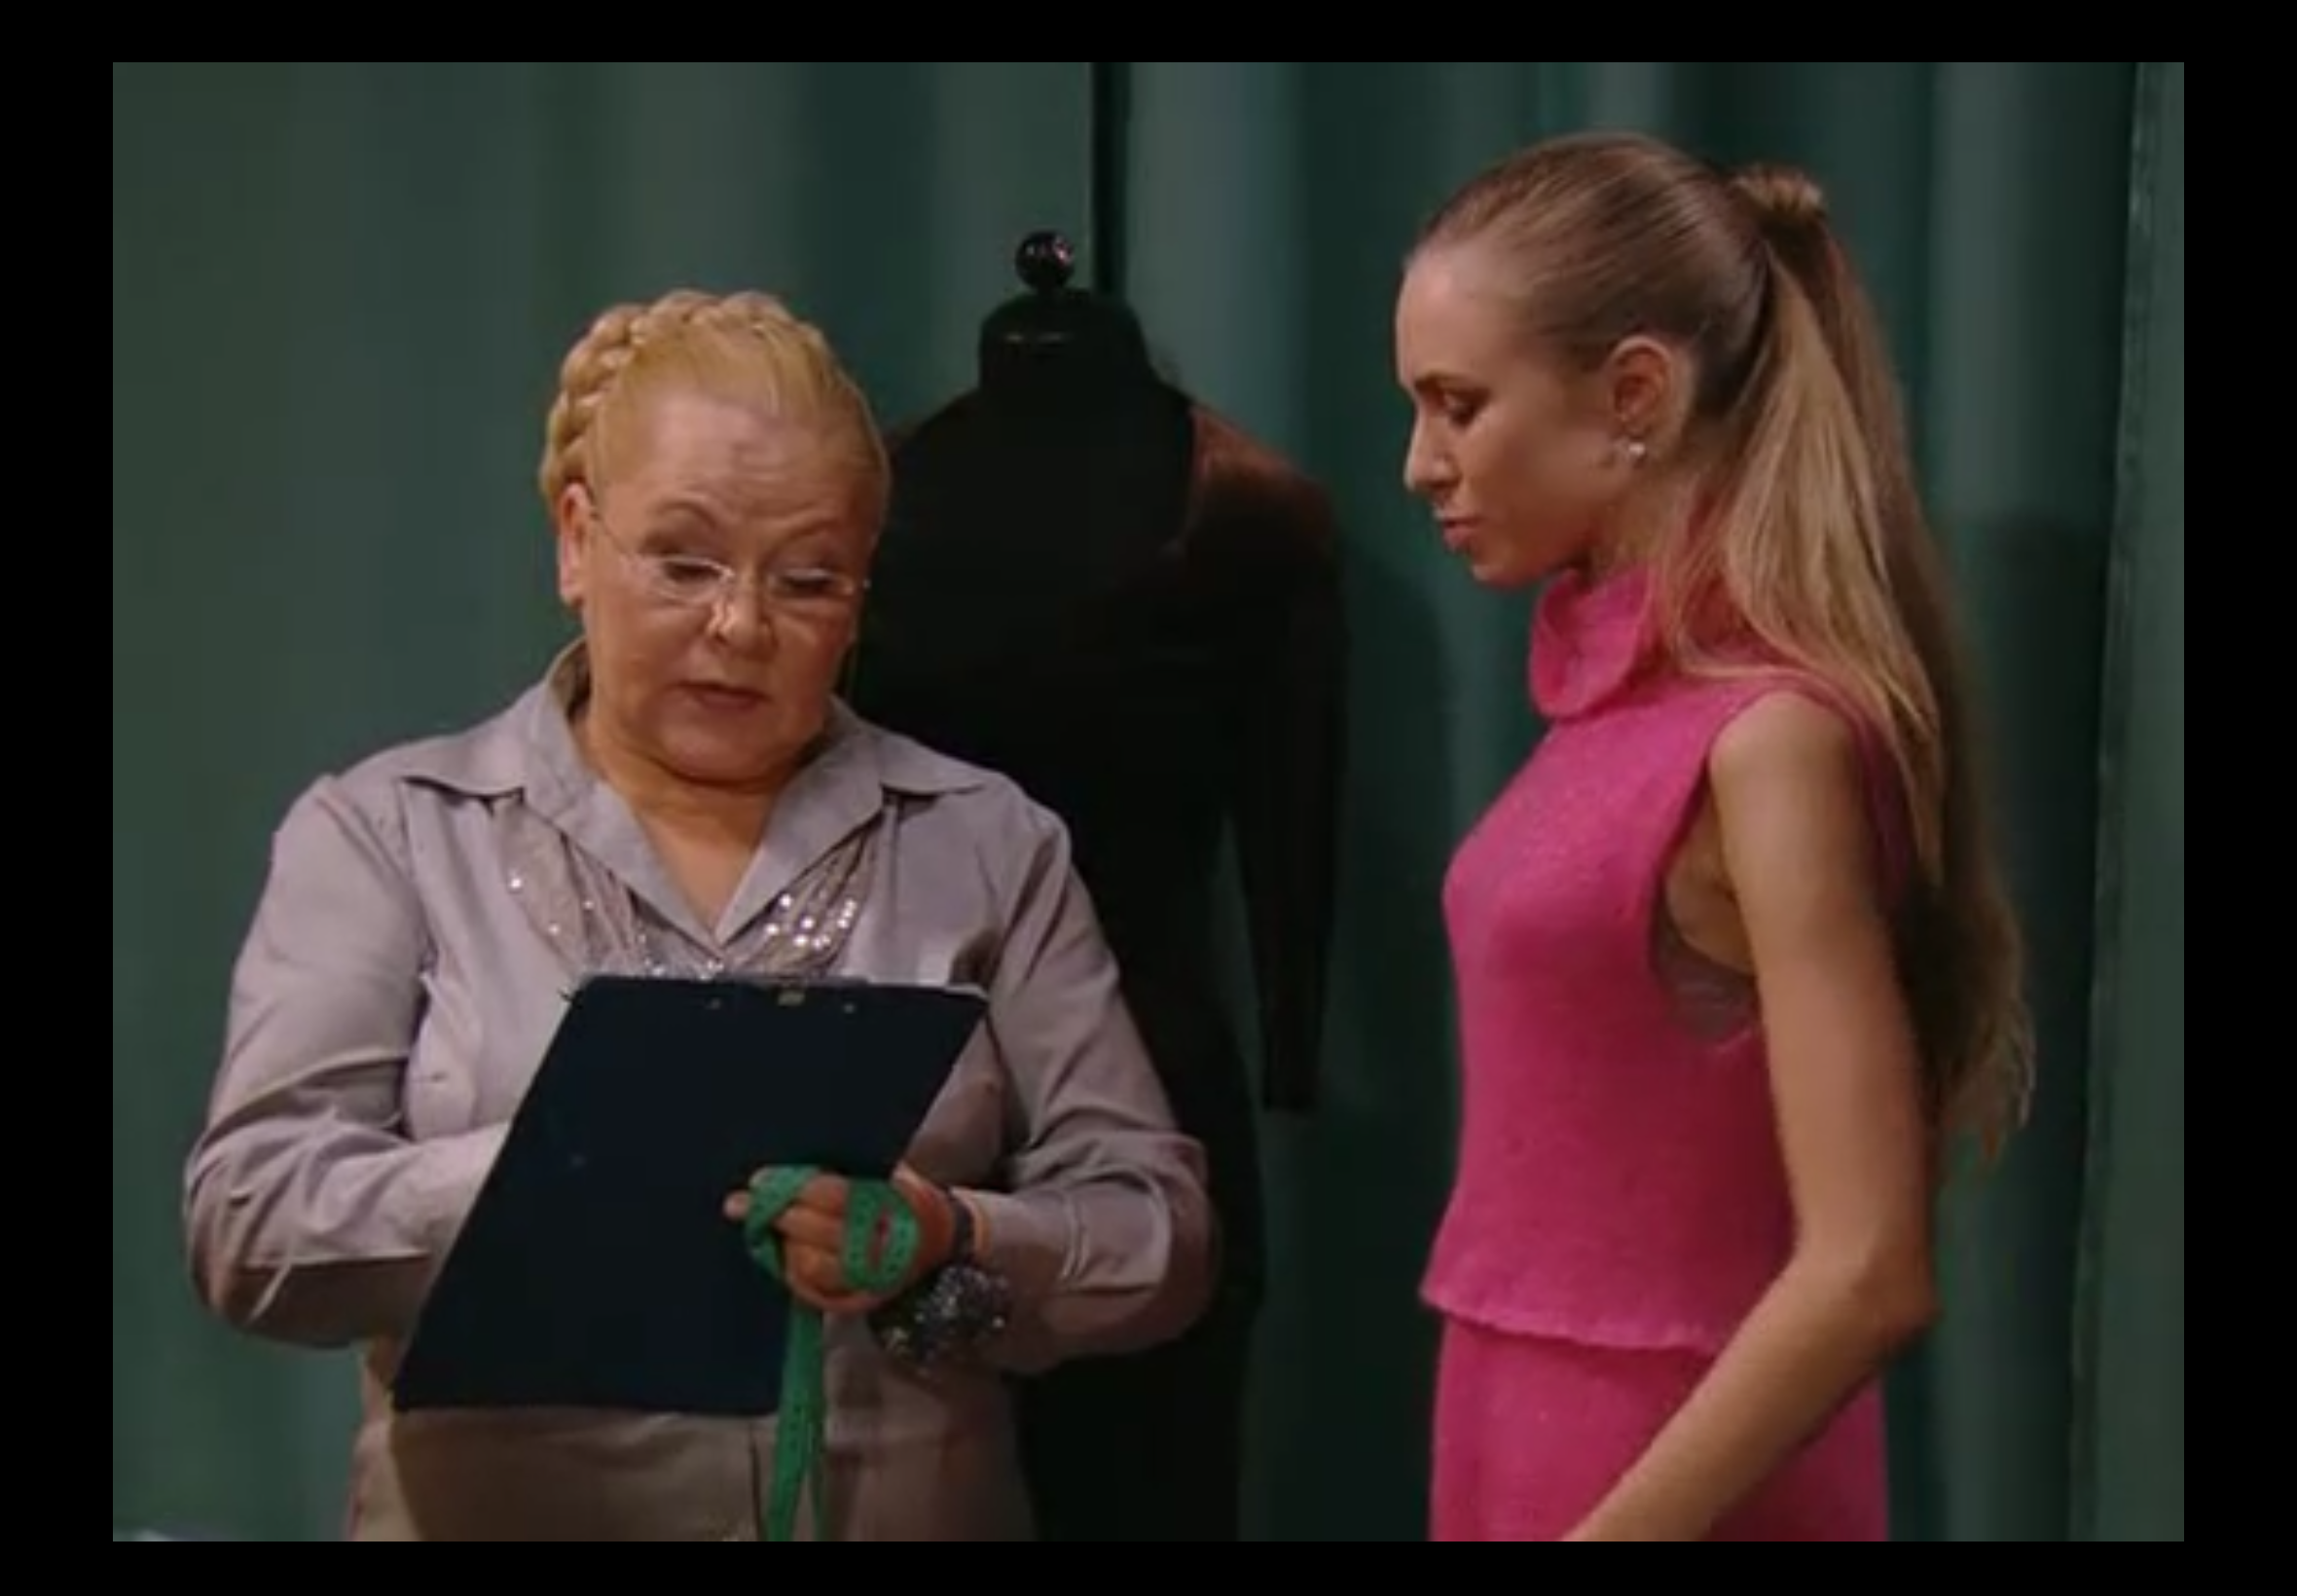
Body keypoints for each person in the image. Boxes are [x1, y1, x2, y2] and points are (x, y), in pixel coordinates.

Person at [180, 287, 1217, 1542]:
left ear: (861, 596)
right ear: (577, 541)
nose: (740, 625)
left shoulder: (985, 842)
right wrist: (552, 1169)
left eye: (809, 581)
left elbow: (1157, 1229)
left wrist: (948, 1233)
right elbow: (250, 1224)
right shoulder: (392, 835)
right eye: (683, 563)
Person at [1393, 131, 2033, 1542]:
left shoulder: (1768, 744)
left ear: (1635, 393)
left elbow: (1868, 1268)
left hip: (1678, 1481)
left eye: (1458, 407)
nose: (1421, 466)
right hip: (1526, 1433)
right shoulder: (1615, 717)